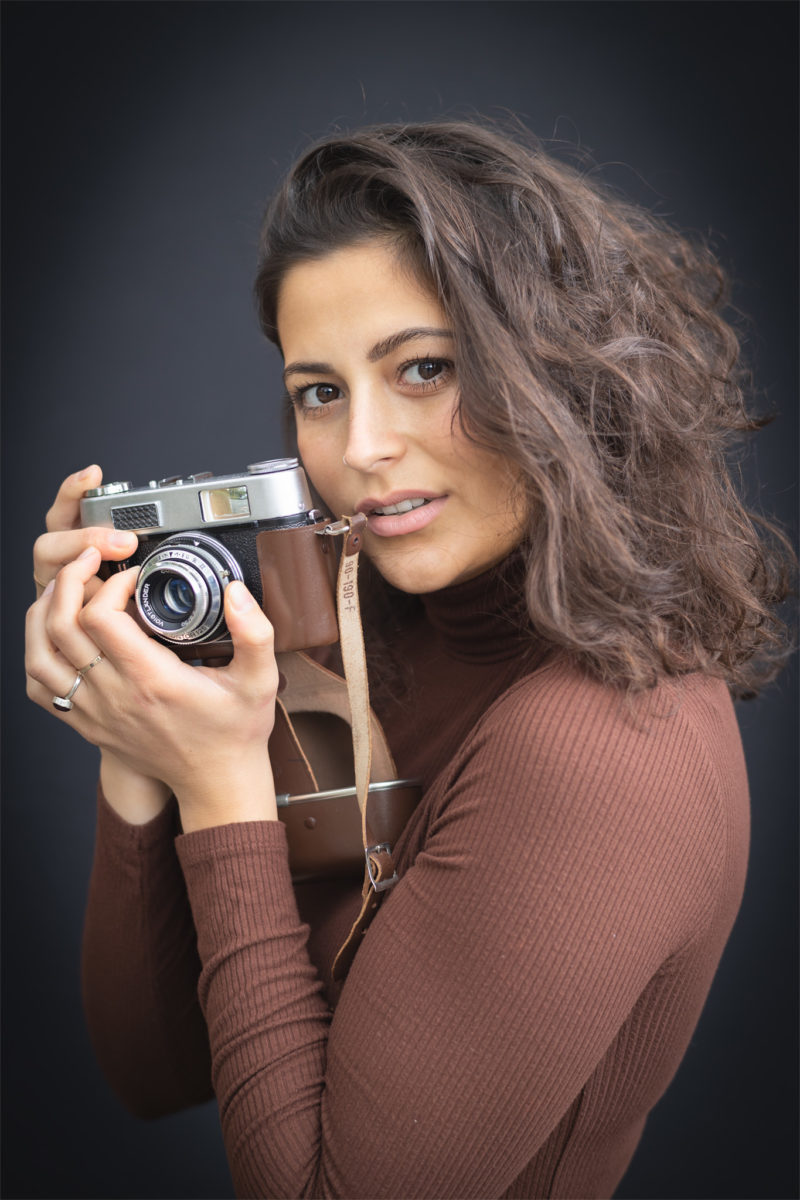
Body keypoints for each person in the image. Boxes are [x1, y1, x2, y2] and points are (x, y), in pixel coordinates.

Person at [25, 119, 793, 1199]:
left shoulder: (606, 747)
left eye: (424, 369)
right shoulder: (362, 617)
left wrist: (223, 782)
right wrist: (139, 725)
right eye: (320, 392)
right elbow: (154, 1071)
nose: (360, 452)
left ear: (556, 370)